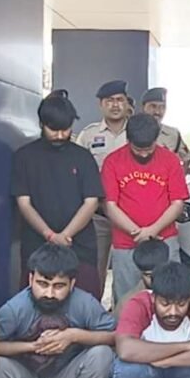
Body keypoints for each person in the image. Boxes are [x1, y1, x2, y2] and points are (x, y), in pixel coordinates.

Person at [0, 245, 116, 378]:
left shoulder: (84, 303)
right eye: (42, 284)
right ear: (30, 279)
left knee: (103, 354)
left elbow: (115, 336)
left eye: (58, 286)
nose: (49, 294)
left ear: (72, 284)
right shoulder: (15, 308)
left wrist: (74, 335)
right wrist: (32, 346)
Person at [12, 89, 104, 300]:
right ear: (41, 124)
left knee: (84, 303)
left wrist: (65, 235)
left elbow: (91, 201)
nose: (60, 136)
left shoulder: (83, 157)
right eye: (53, 130)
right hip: (37, 246)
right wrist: (50, 235)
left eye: (65, 129)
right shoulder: (24, 157)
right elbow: (24, 203)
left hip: (79, 246)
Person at [102, 113, 188, 307]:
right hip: (126, 244)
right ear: (128, 140)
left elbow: (177, 202)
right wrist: (138, 232)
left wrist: (152, 230)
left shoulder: (170, 160)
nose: (143, 154)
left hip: (164, 240)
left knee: (172, 295)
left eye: (148, 149)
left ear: (156, 140)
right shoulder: (113, 161)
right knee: (126, 300)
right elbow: (110, 205)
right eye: (138, 149)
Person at [77, 80, 131, 293]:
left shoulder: (136, 132)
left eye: (120, 100)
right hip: (98, 215)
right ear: (100, 104)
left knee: (129, 272)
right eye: (109, 101)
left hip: (131, 216)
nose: (115, 105)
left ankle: (125, 311)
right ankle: (94, 309)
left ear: (127, 103)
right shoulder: (88, 135)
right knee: (94, 271)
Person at [113, 239, 170, 318]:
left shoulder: (182, 295)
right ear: (140, 273)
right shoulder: (127, 303)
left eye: (158, 273)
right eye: (149, 275)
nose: (154, 279)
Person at [140, 87, 190, 168]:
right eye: (153, 106)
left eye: (162, 107)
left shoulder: (173, 134)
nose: (157, 112)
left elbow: (188, 159)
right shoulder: (131, 131)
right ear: (143, 107)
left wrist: (180, 174)